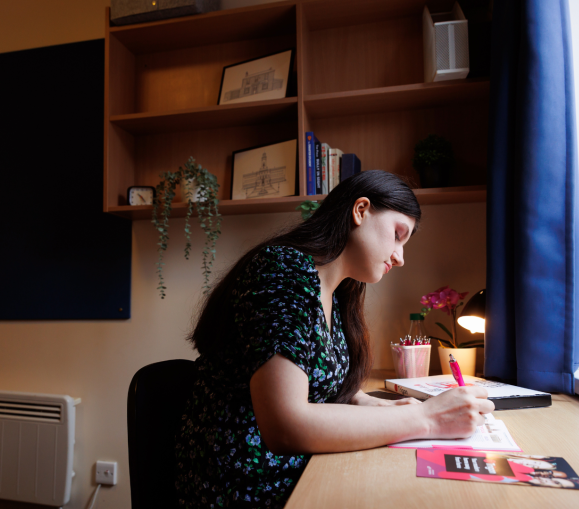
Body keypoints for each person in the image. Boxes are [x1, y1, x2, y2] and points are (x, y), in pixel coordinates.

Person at [174, 170, 495, 508]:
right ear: (360, 210)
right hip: (245, 488)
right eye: (398, 234)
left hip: (300, 471)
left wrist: (374, 405)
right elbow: (286, 425)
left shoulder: (337, 293)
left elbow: (323, 384)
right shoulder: (282, 272)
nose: (400, 257)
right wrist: (427, 419)